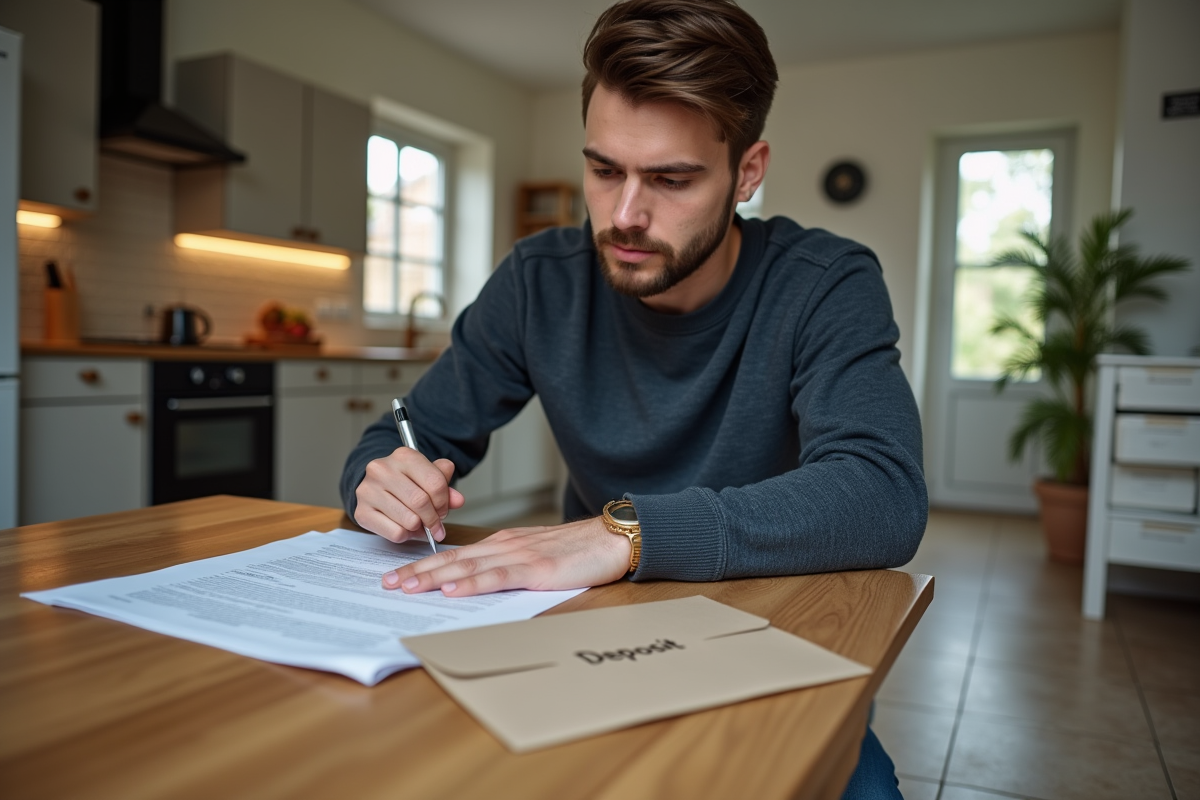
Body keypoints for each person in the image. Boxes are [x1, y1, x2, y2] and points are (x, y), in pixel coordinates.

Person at [342, 1, 924, 795]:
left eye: (671, 179)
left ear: (748, 172)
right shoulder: (538, 280)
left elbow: (883, 492)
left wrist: (625, 534)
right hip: (592, 635)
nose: (623, 216)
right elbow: (404, 432)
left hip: (766, 627)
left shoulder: (826, 283)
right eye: (604, 169)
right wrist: (381, 477)